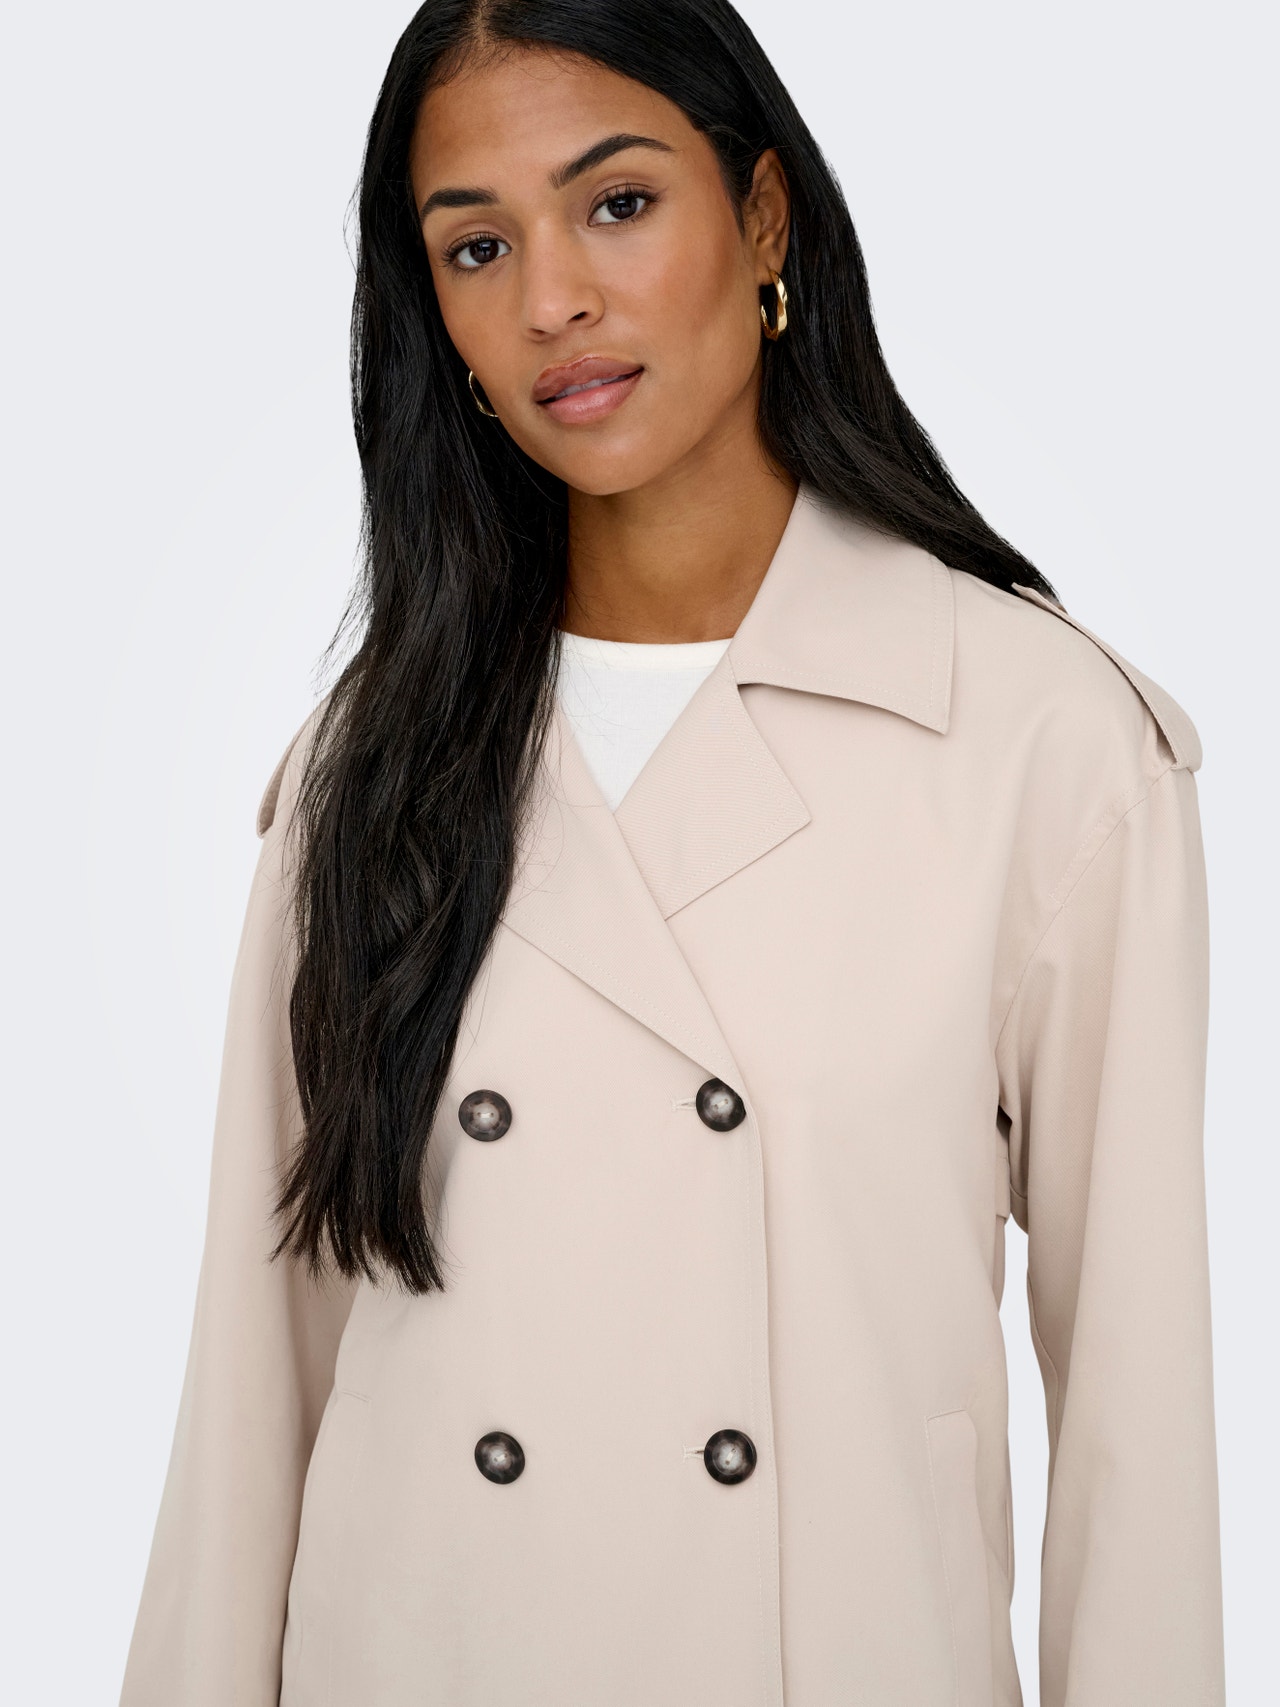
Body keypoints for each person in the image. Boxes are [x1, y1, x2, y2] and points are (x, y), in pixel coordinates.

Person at [119, 3, 1224, 1704]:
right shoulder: (368, 763)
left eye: (618, 204)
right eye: (476, 245)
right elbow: (252, 1387)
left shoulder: (1040, 741)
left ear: (764, 220)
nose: (551, 298)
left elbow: (1137, 1418)